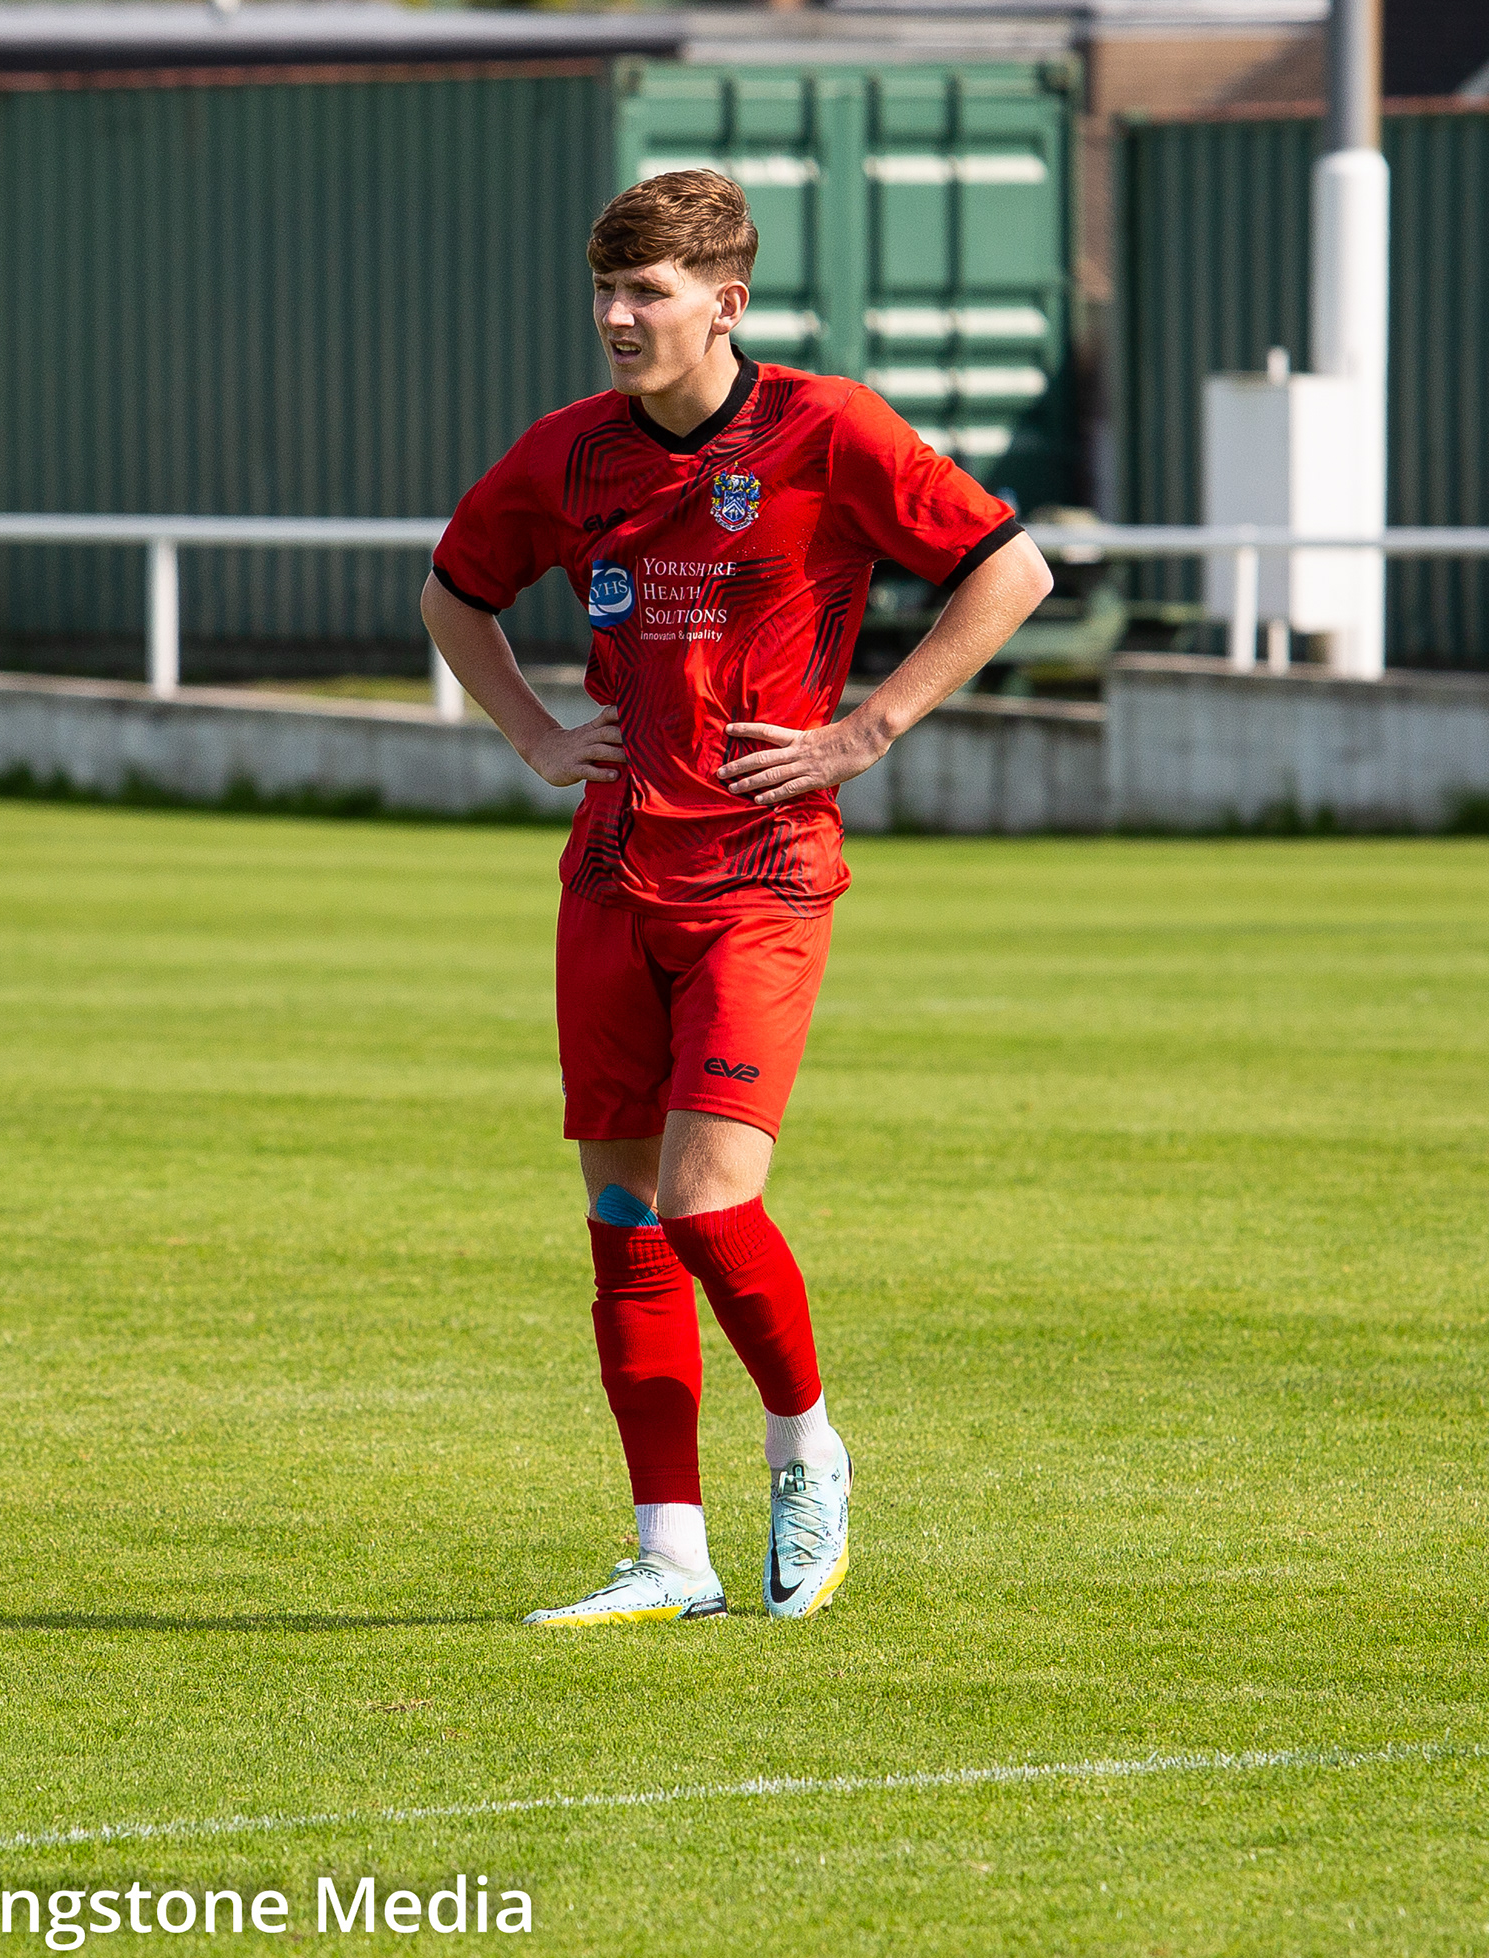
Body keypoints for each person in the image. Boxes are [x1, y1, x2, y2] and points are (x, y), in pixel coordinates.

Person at [421, 169, 1052, 1626]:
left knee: (709, 1204)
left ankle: (807, 1447)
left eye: (647, 292)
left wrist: (866, 730)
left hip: (761, 878)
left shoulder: (829, 429)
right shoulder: (568, 452)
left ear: (727, 304)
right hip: (611, 870)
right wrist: (533, 736)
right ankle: (669, 1552)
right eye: (605, 289)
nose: (617, 316)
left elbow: (1009, 571)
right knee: (623, 1214)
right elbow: (455, 590)